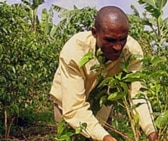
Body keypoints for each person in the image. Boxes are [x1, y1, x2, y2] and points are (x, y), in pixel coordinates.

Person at [50, 6, 159, 141]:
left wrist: (151, 131)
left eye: (122, 39)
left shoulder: (131, 52)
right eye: (110, 40)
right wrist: (106, 138)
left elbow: (137, 94)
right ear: (95, 33)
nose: (118, 47)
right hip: (68, 107)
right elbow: (74, 107)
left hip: (102, 107)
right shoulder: (75, 51)